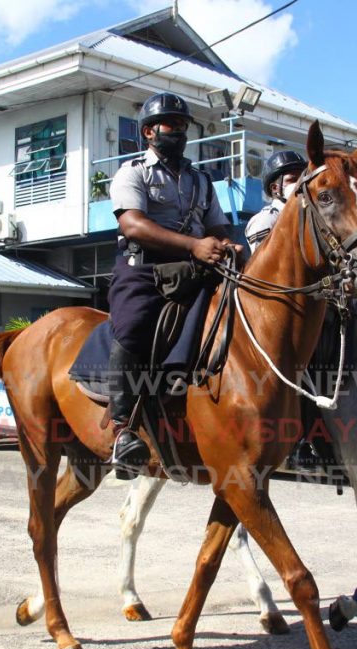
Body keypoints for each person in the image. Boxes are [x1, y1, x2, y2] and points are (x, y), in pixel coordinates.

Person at [107, 93, 242, 476]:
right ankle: (122, 430)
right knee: (132, 326)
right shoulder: (132, 172)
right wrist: (194, 245)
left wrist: (226, 244)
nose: (179, 132)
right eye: (171, 125)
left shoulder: (201, 180)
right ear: (150, 132)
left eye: (183, 126)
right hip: (146, 271)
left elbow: (217, 226)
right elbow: (132, 224)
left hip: (197, 269)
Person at [244, 150, 307, 251]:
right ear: (274, 188)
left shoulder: (306, 216)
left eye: (302, 179)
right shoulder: (266, 220)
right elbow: (263, 263)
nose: (300, 184)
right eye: (293, 179)